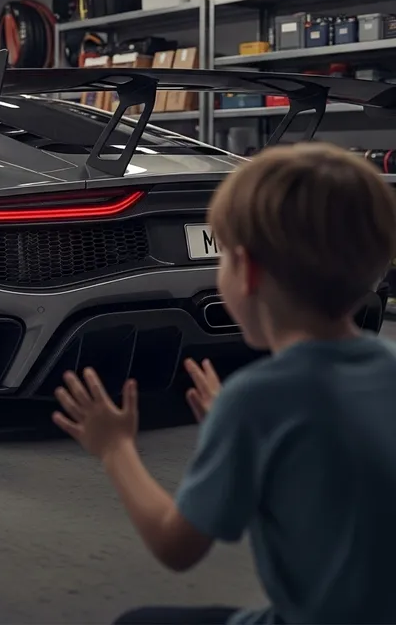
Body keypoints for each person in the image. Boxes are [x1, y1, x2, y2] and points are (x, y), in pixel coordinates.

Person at [52, 142, 396, 625]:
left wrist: (115, 448)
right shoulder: (386, 365)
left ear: (247, 272)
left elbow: (177, 546)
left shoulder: (257, 401)